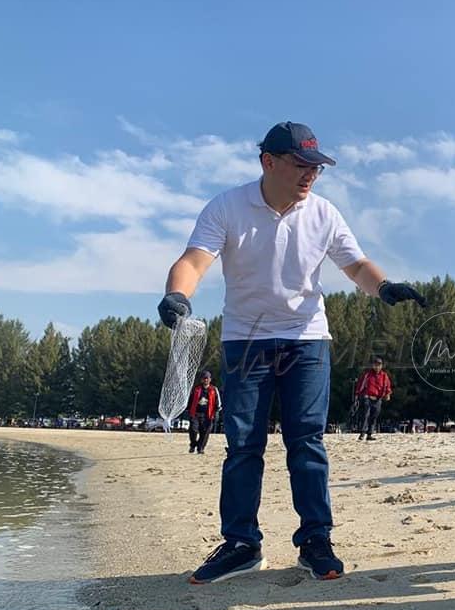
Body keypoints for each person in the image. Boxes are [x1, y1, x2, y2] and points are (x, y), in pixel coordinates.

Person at [158, 121, 426, 584]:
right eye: (301, 166)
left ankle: (316, 540)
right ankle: (241, 544)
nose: (310, 176)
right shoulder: (227, 206)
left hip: (306, 338)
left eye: (316, 168)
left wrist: (383, 287)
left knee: (308, 442)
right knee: (244, 444)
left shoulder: (323, 213)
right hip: (245, 340)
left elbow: (355, 264)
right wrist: (177, 295)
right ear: (269, 162)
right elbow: (194, 260)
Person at [354, 356, 393, 441]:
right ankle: (362, 434)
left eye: (379, 365)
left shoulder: (384, 376)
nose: (377, 367)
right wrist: (357, 395)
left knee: (374, 416)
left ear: (381, 366)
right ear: (372, 365)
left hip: (378, 399)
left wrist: (388, 394)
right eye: (375, 365)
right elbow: (360, 385)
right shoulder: (367, 374)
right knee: (365, 415)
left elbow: (387, 386)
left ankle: (369, 434)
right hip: (367, 397)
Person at [188, 370, 221, 454]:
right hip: (195, 414)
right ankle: (193, 444)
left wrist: (217, 409)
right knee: (193, 430)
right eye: (204, 378)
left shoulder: (214, 389)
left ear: (210, 379)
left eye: (207, 378)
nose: (205, 380)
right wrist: (188, 409)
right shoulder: (196, 389)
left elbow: (218, 402)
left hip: (208, 415)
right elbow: (190, 400)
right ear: (201, 380)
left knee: (205, 433)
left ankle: (200, 448)